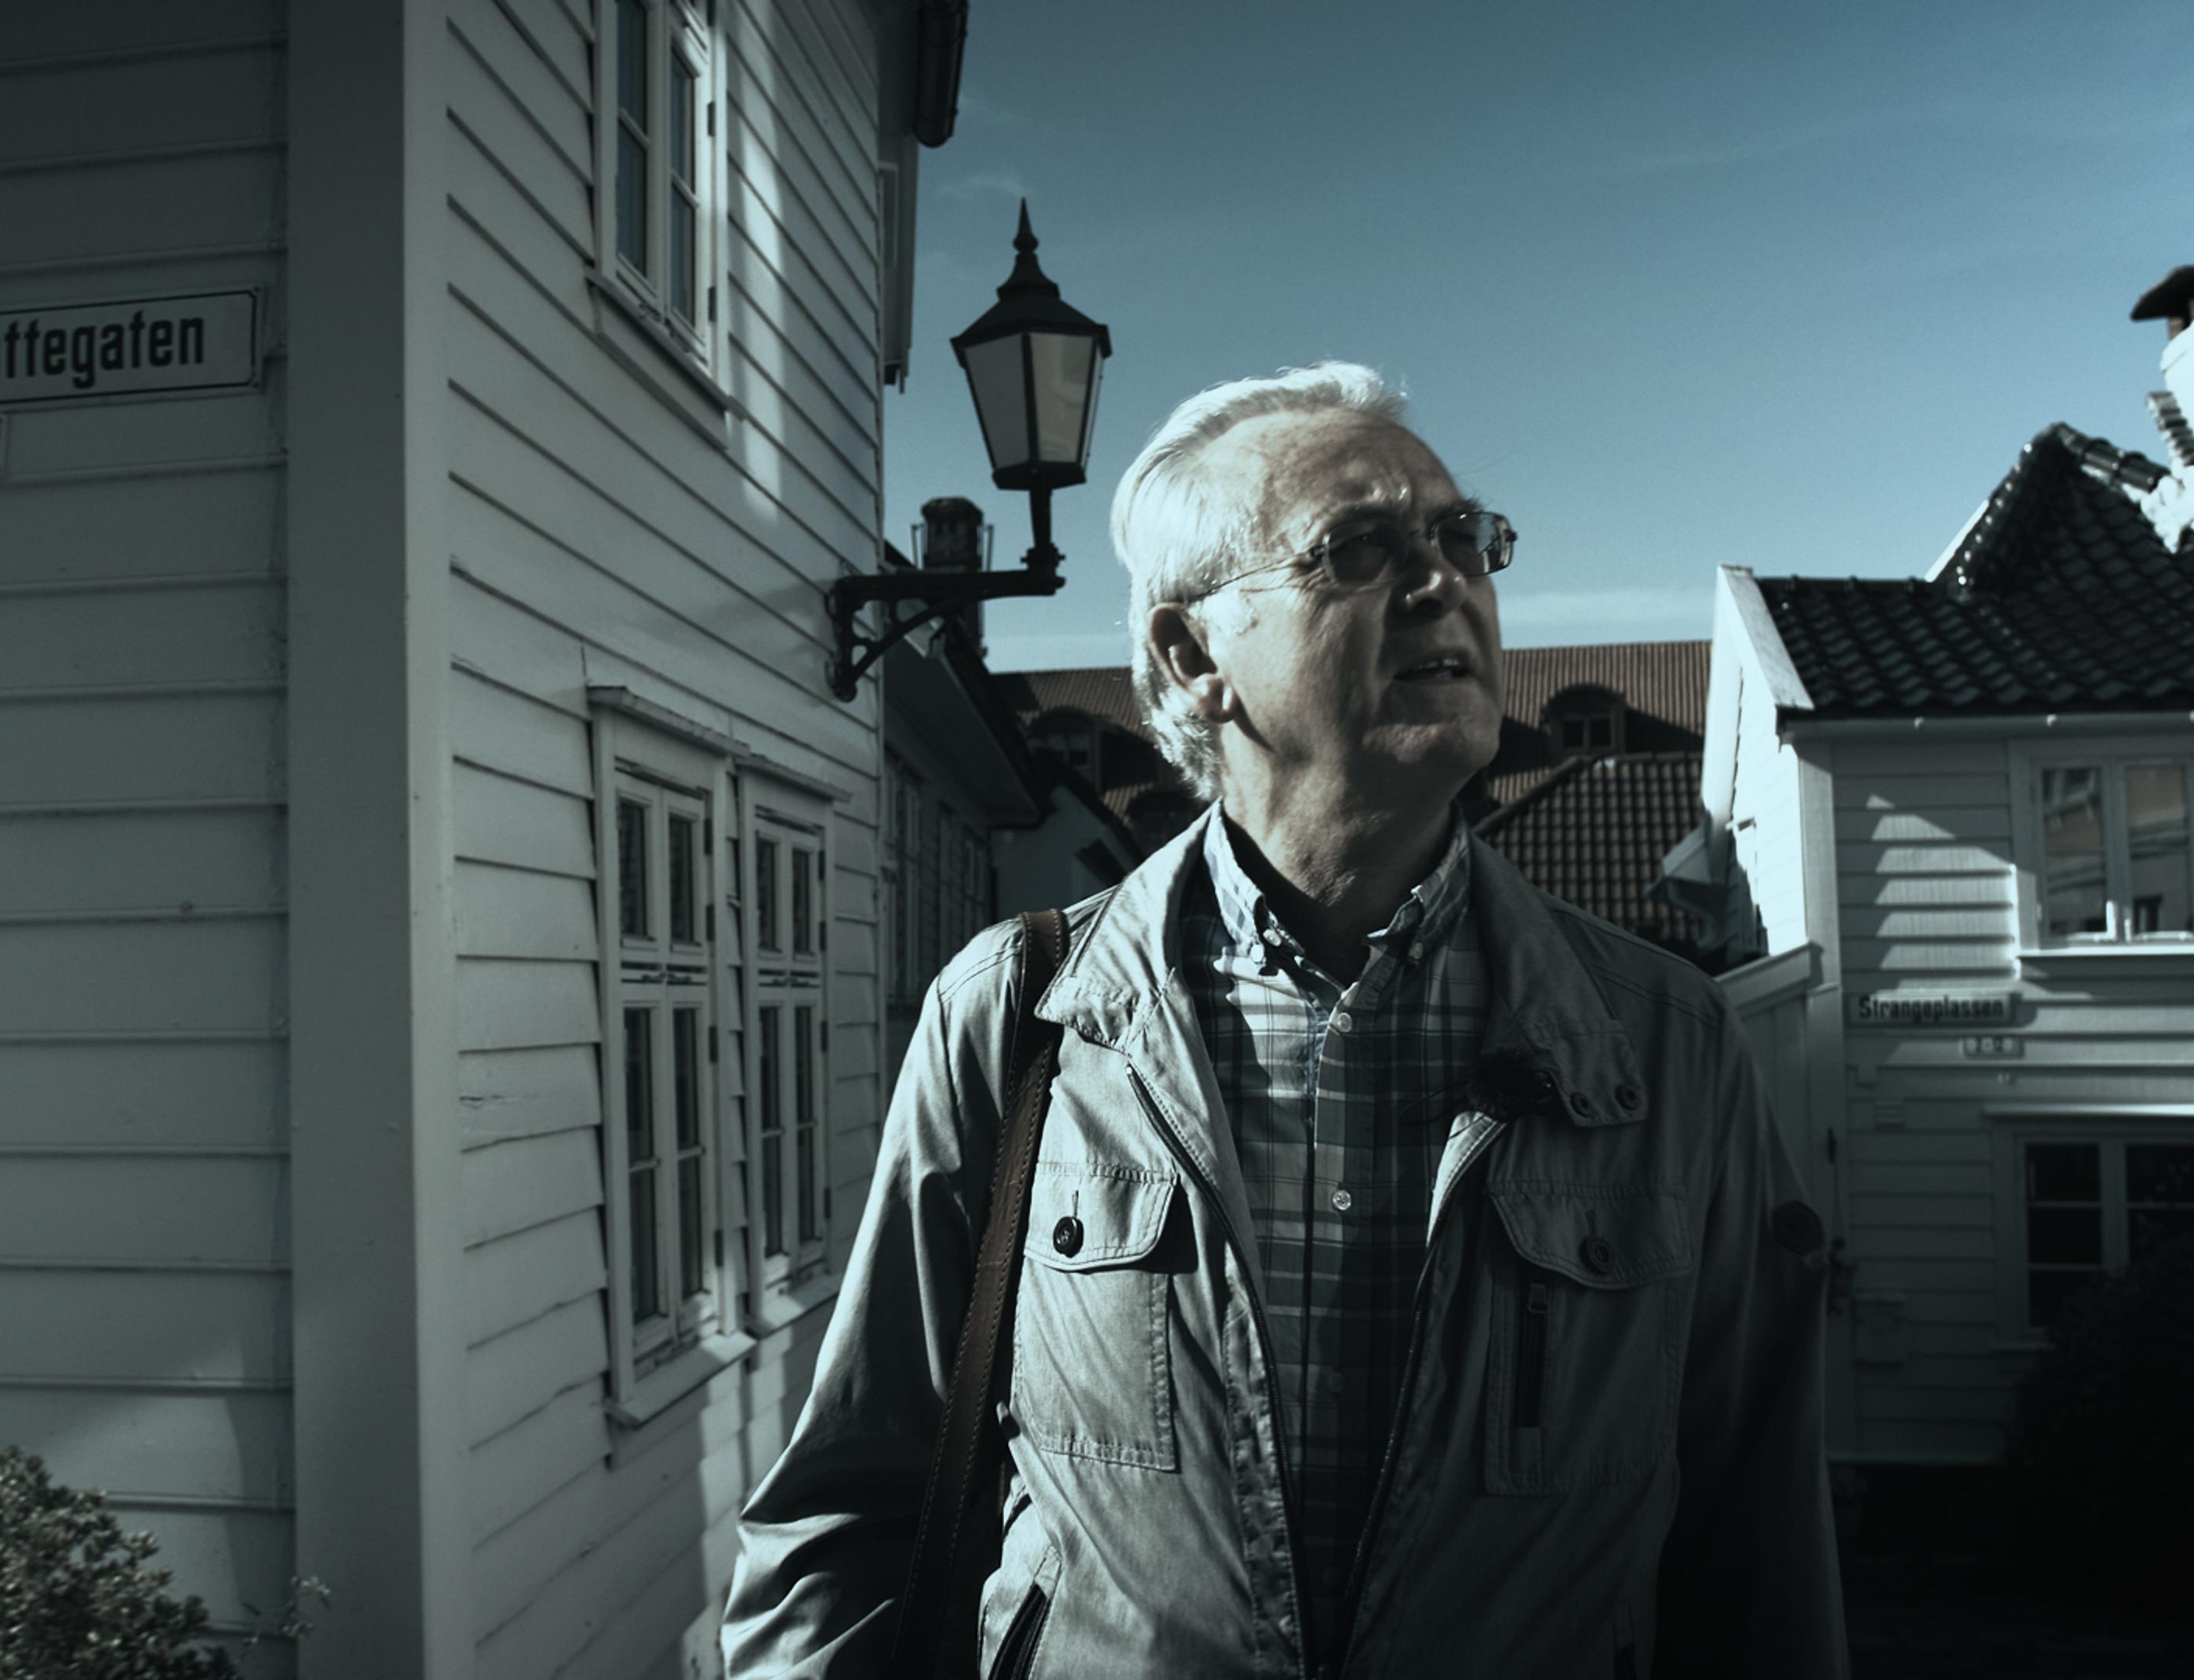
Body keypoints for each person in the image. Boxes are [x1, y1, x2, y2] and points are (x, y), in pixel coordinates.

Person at [723, 363, 1846, 1678]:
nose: (1445, 583)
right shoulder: (1019, 1020)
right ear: (1191, 659)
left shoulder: (1662, 1043)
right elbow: (857, 1512)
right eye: (1360, 548)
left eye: (1461, 537)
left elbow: (1756, 1551)